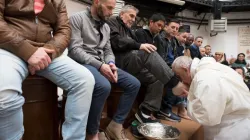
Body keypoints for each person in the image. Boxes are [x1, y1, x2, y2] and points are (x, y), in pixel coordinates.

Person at [0, 0, 95, 140]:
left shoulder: (58, 1)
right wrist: (27, 51)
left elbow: (64, 30)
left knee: (85, 80)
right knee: (4, 95)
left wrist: (50, 51)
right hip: (10, 48)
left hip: (45, 50)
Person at [68, 0, 140, 139]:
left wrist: (111, 63)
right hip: (83, 63)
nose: (111, 12)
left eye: (113, 9)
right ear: (96, 2)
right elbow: (74, 50)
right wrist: (100, 66)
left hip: (103, 64)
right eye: (109, 8)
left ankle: (116, 125)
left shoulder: (106, 26)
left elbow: (108, 50)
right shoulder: (77, 18)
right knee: (103, 86)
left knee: (134, 84)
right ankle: (92, 133)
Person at [107, 5, 188, 123]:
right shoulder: (113, 21)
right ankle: (174, 84)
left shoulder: (128, 29)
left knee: (158, 78)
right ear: (121, 14)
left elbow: (132, 45)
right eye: (131, 15)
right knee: (148, 52)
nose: (133, 19)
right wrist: (139, 45)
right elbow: (116, 42)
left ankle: (145, 111)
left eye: (135, 17)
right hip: (117, 62)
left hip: (130, 63)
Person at [172, 56, 250, 140]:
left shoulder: (204, 77)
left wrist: (190, 98)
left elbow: (206, 117)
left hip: (229, 131)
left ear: (185, 69)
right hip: (237, 123)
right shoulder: (217, 67)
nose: (182, 81)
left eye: (179, 76)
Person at [154, 21, 189, 122]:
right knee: (174, 77)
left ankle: (182, 107)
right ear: (165, 27)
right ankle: (166, 108)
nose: (175, 30)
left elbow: (175, 57)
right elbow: (159, 59)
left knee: (185, 75)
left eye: (177, 29)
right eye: (172, 27)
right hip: (161, 66)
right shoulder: (159, 38)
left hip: (170, 65)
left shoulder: (174, 40)